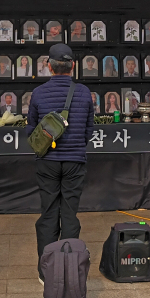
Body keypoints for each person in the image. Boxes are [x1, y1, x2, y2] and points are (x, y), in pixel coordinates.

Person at [27, 44, 95, 283]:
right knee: (69, 214)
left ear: (49, 66)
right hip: (75, 161)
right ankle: (70, 269)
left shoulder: (38, 93)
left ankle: (46, 271)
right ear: (73, 66)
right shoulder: (85, 93)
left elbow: (31, 129)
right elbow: (89, 130)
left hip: (47, 161)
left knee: (48, 213)